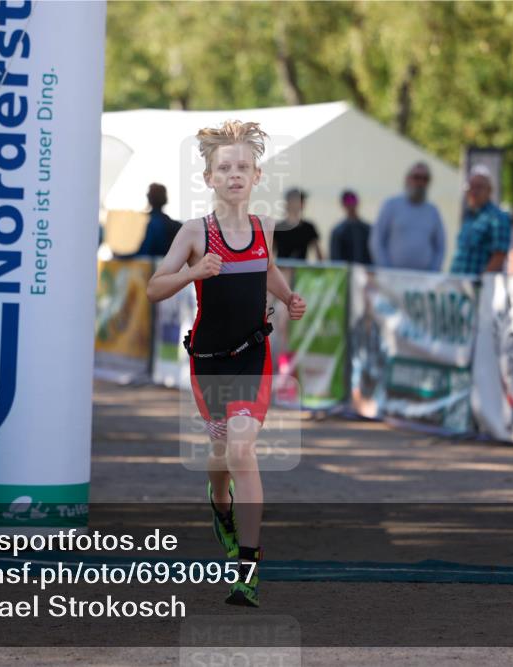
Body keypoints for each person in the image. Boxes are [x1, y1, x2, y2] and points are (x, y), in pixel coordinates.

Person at [146, 120, 306, 607]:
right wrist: (194, 271)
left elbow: (268, 269)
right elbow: (155, 287)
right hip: (208, 361)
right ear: (209, 178)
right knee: (221, 458)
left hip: (253, 355)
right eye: (224, 168)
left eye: (243, 167)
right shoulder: (195, 232)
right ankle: (220, 506)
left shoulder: (263, 228)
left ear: (257, 176)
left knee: (241, 450)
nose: (234, 175)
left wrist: (288, 296)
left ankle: (248, 567)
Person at [371, 162, 446, 271]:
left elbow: (440, 246)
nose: (420, 182)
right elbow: (377, 240)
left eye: (425, 179)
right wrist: (386, 269)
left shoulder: (433, 211)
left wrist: (433, 272)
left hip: (423, 282)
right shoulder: (391, 205)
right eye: (416, 177)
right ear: (407, 179)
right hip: (392, 279)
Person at [450, 166, 510, 276]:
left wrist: (480, 284)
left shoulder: (498, 217)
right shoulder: (469, 216)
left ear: (489, 190)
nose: (473, 191)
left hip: (478, 288)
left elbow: (499, 256)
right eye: (470, 187)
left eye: (479, 187)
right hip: (457, 285)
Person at [127, 183, 182, 257]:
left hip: (148, 265)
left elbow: (142, 253)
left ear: (148, 198)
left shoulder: (145, 223)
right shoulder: (176, 225)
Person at [274, 188, 322, 261]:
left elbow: (319, 254)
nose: (302, 203)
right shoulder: (278, 228)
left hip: (302, 271)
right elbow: (269, 253)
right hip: (281, 271)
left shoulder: (308, 227)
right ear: (289, 203)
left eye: (302, 201)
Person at [329, 190, 373, 264]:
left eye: (353, 201)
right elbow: (335, 258)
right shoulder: (338, 231)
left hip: (365, 273)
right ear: (343, 205)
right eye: (348, 202)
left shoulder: (368, 229)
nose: (351, 205)